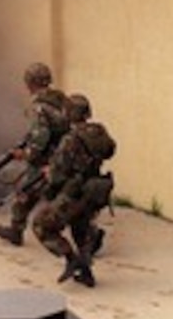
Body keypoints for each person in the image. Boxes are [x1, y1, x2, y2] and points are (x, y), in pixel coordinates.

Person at [32, 95, 116, 287]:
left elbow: (57, 175)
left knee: (42, 226)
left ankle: (71, 259)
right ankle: (86, 273)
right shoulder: (99, 131)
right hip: (95, 190)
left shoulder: (70, 139)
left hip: (74, 193)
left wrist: (48, 173)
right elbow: (111, 150)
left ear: (69, 113)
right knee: (81, 229)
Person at [0, 62, 70, 246]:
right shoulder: (61, 99)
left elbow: (40, 137)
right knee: (67, 195)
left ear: (31, 82)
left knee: (25, 193)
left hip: (45, 159)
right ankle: (91, 235)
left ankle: (16, 230)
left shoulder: (39, 107)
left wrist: (25, 154)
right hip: (65, 157)